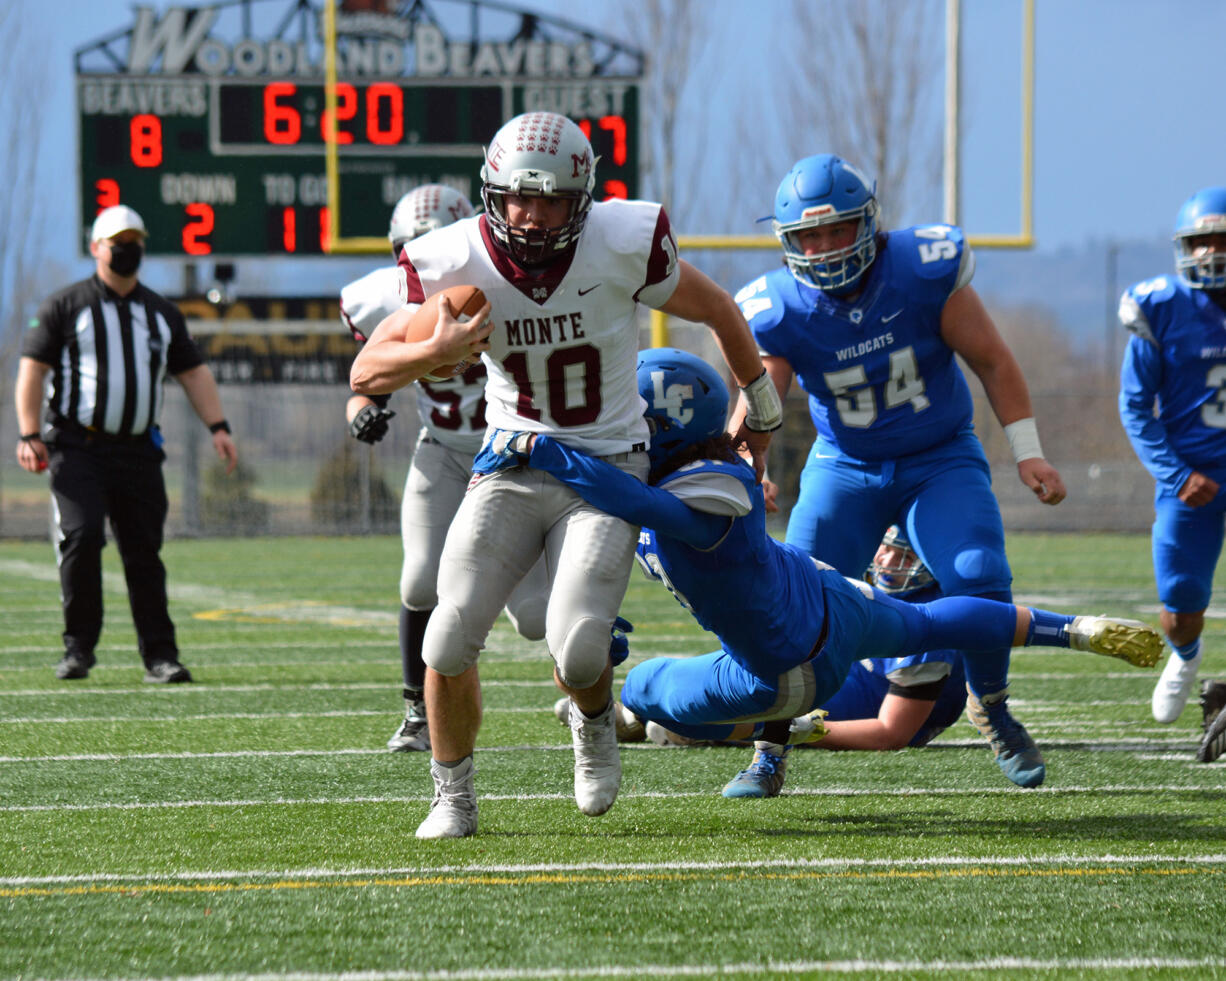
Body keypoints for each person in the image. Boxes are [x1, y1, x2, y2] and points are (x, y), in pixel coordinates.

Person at [349, 112, 780, 839]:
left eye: (550, 199)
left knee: (578, 644)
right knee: (446, 635)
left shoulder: (621, 240)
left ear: (582, 197)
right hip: (511, 461)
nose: (532, 213)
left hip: (607, 466)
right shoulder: (456, 259)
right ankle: (452, 796)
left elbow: (716, 308)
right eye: (518, 196)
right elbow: (366, 369)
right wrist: (437, 348)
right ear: (491, 192)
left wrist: (760, 403)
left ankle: (593, 726)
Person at [476, 347, 1162, 800]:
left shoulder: (711, 484)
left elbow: (635, 502)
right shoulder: (704, 470)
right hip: (834, 600)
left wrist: (545, 450)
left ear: (664, 428)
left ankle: (640, 716)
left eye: (631, 422)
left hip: (787, 672)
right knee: (928, 617)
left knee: (653, 684)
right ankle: (1072, 628)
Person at [728, 154, 1066, 788]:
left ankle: (990, 706)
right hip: (846, 464)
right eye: (808, 237)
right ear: (786, 242)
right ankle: (771, 744)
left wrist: (1028, 450)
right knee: (790, 599)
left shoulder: (920, 269)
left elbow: (993, 360)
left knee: (980, 576)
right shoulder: (778, 306)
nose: (824, 250)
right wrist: (751, 464)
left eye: (837, 231)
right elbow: (760, 398)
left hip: (938, 456)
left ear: (869, 224)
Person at [340, 183, 549, 753]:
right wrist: (361, 414)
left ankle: (586, 680)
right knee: (419, 578)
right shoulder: (385, 298)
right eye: (415, 248)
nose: (428, 262)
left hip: (511, 453)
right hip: (442, 448)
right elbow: (366, 383)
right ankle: (416, 711)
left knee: (534, 618)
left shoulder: (507, 283)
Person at [14, 204, 238, 683]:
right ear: (96, 248)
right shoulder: (66, 305)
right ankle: (78, 649)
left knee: (143, 551)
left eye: (135, 240)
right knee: (83, 536)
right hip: (78, 447)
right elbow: (33, 368)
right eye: (118, 241)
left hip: (137, 450)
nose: (127, 249)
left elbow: (192, 372)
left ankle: (160, 656)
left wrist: (218, 426)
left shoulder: (160, 312)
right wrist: (29, 432)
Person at [721, 524, 967, 798]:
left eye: (905, 557)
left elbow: (891, 733)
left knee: (741, 702)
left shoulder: (929, 622)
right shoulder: (877, 586)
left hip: (857, 705)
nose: (887, 562)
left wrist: (800, 730)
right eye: (885, 548)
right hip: (848, 682)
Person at [1118, 186, 1226, 725]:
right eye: (1201, 241)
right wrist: (1178, 474)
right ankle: (1186, 658)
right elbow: (1135, 407)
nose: (1211, 252)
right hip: (1191, 478)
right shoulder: (1162, 307)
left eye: (1221, 239)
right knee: (1181, 609)